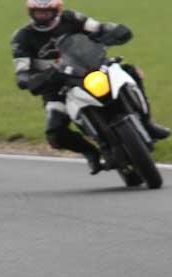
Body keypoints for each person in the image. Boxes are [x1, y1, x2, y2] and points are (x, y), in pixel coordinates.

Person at [10, 0, 169, 174]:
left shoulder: (71, 18)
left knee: (131, 72)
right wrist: (27, 79)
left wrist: (113, 30)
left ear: (57, 10)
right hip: (55, 84)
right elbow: (21, 68)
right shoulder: (22, 37)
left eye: (47, 12)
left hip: (88, 67)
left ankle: (148, 124)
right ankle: (91, 153)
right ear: (30, 12)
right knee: (55, 134)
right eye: (38, 12)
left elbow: (97, 27)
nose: (43, 16)